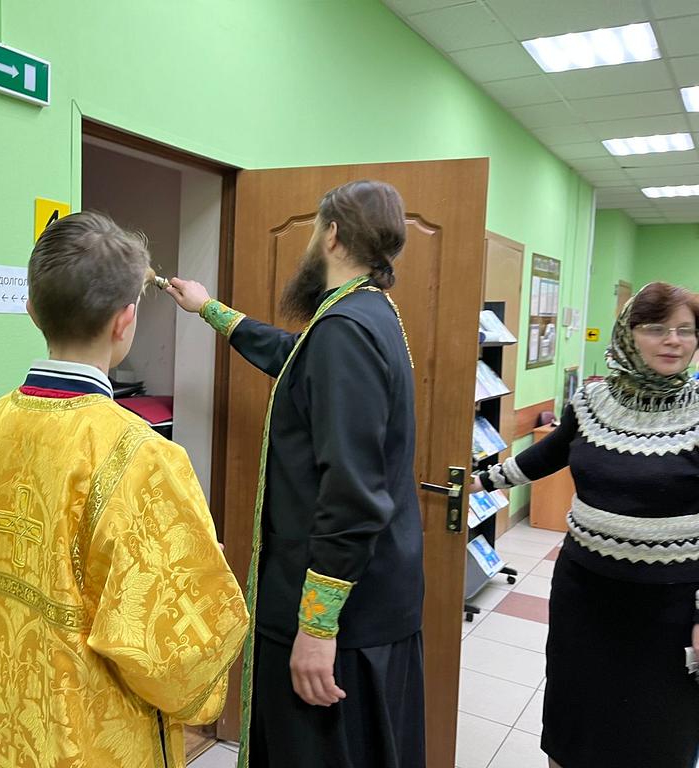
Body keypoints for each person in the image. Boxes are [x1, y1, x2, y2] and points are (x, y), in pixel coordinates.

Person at [0, 211, 248, 768]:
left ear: (31, 310)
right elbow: (173, 652)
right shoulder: (142, 456)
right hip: (87, 735)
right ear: (125, 320)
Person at [166, 181, 425, 768]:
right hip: (368, 603)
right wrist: (208, 309)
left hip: (341, 623)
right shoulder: (365, 313)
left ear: (331, 234)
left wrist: (317, 628)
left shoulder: (346, 329)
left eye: (313, 230)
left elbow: (353, 494)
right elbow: (297, 359)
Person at [472, 282, 699, 768]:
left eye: (686, 330)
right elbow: (548, 455)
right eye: (656, 328)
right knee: (576, 712)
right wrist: (480, 481)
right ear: (628, 334)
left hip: (671, 607)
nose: (673, 341)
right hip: (585, 591)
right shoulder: (593, 401)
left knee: (656, 730)